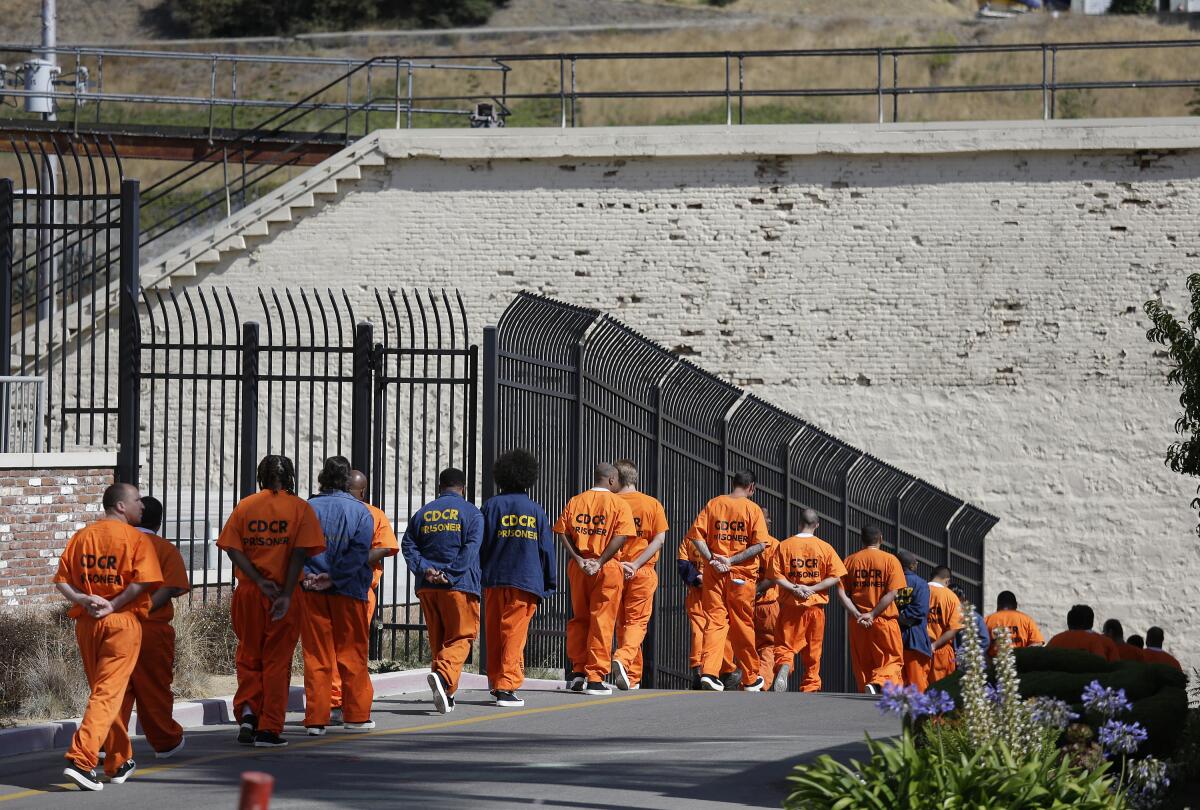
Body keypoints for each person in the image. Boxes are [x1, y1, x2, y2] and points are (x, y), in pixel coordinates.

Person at [53, 483, 163, 791]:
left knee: (105, 692)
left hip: (88, 623)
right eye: (137, 500)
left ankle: (118, 760)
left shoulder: (82, 536)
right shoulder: (134, 538)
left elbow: (61, 580)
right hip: (121, 623)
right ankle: (82, 759)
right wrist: (113, 603)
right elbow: (144, 582)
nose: (142, 505)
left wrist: (84, 599)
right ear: (120, 506)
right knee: (107, 694)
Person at [218, 455, 325, 748]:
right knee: (277, 661)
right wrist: (286, 593)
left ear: (261, 477)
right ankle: (269, 728)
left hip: (250, 592)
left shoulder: (246, 506)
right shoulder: (299, 508)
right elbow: (299, 555)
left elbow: (231, 548)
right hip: (284, 591)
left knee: (249, 655)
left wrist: (258, 579)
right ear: (289, 477)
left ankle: (249, 713)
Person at [300, 456, 376, 735]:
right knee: (352, 655)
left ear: (322, 479)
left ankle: (316, 719)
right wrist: (335, 576)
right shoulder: (361, 512)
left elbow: (297, 549)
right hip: (350, 591)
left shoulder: (307, 508)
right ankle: (355, 716)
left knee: (317, 657)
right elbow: (359, 553)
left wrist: (310, 576)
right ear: (348, 481)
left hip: (312, 592)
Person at [401, 468, 484, 715]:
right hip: (458, 585)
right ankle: (443, 677)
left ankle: (447, 693)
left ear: (440, 486)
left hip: (428, 588)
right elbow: (470, 549)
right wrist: (449, 573)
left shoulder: (423, 513)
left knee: (439, 639)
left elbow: (408, 544)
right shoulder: (472, 513)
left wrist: (426, 569)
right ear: (464, 488)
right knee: (460, 636)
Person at [479, 449, 557, 707]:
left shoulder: (490, 506)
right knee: (514, 633)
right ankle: (506, 685)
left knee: (494, 632)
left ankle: (495, 680)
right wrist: (550, 581)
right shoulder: (535, 510)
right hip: (525, 579)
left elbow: (481, 543)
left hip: (494, 578)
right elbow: (545, 548)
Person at [553, 462, 635, 696]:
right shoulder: (618, 503)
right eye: (617, 480)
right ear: (611, 480)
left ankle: (578, 671)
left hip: (579, 567)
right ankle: (596, 677)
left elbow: (562, 532)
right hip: (606, 566)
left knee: (579, 618)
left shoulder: (576, 501)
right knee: (602, 620)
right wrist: (598, 562)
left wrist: (579, 559)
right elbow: (621, 536)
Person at [118, 496, 191, 760]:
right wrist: (142, 611)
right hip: (151, 628)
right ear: (159, 522)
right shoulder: (164, 549)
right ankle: (165, 740)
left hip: (114, 626)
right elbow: (171, 587)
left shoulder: (116, 544)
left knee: (115, 687)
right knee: (154, 687)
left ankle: (106, 740)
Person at [687, 470, 771, 692]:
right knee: (742, 624)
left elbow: (696, 536)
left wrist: (712, 559)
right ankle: (751, 677)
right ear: (751, 487)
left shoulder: (714, 504)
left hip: (714, 573)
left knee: (715, 622)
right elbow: (760, 544)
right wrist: (731, 560)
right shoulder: (753, 510)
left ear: (733, 483)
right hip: (740, 576)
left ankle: (709, 672)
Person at [329, 469, 400, 723]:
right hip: (359, 590)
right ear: (363, 491)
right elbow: (384, 547)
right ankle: (349, 705)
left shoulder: (326, 508)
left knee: (328, 649)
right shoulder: (372, 513)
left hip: (324, 588)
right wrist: (356, 562)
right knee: (353, 651)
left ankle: (334, 702)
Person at [767, 508, 847, 693]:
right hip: (815, 606)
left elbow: (775, 575)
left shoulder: (785, 546)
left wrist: (794, 587)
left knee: (785, 645)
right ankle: (810, 685)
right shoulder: (825, 547)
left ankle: (785, 665)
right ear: (817, 525)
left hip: (790, 605)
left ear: (799, 523)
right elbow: (835, 577)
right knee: (813, 649)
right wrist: (811, 588)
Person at [611, 460, 668, 691]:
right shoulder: (651, 504)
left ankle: (632, 677)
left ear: (616, 478)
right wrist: (635, 564)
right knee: (637, 622)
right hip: (641, 570)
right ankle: (624, 660)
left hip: (614, 568)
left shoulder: (611, 503)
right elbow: (659, 539)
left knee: (622, 624)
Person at [838, 524, 906, 694]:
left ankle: (868, 689)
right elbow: (892, 593)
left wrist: (857, 614)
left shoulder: (850, 561)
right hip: (884, 620)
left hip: (858, 622)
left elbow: (841, 592)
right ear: (880, 539)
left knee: (863, 663)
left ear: (862, 540)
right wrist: (873, 614)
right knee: (892, 660)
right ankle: (877, 683)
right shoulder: (890, 560)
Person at [676, 536, 732, 689]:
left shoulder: (689, 539)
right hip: (716, 591)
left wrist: (697, 577)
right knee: (720, 629)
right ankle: (724, 670)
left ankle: (699, 668)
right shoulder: (721, 537)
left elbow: (683, 563)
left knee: (699, 630)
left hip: (698, 592)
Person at [895, 550, 931, 692]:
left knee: (898, 685)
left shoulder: (891, 581)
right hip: (914, 639)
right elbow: (920, 610)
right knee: (917, 685)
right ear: (912, 565)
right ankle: (920, 714)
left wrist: (894, 618)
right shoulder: (920, 584)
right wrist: (902, 618)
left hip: (894, 638)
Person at [753, 517, 781, 690]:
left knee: (748, 644)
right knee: (768, 645)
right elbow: (775, 575)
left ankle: (749, 679)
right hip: (768, 602)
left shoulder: (747, 542)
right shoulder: (775, 545)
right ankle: (762, 680)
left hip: (744, 602)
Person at [1046, 605, 1119, 663]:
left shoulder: (1054, 640)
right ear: (1092, 623)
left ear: (1069, 623)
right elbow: (1114, 669)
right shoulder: (1105, 642)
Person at [926, 567, 963, 683]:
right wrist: (935, 645)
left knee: (917, 691)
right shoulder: (952, 597)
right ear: (947, 581)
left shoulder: (919, 590)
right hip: (941, 651)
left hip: (917, 648)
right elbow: (954, 628)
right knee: (939, 691)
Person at [984, 591, 1045, 656]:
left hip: (996, 663)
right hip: (1021, 663)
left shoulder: (987, 620)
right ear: (1015, 604)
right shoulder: (1027, 620)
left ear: (998, 605)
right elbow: (1038, 643)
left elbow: (981, 645)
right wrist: (1024, 655)